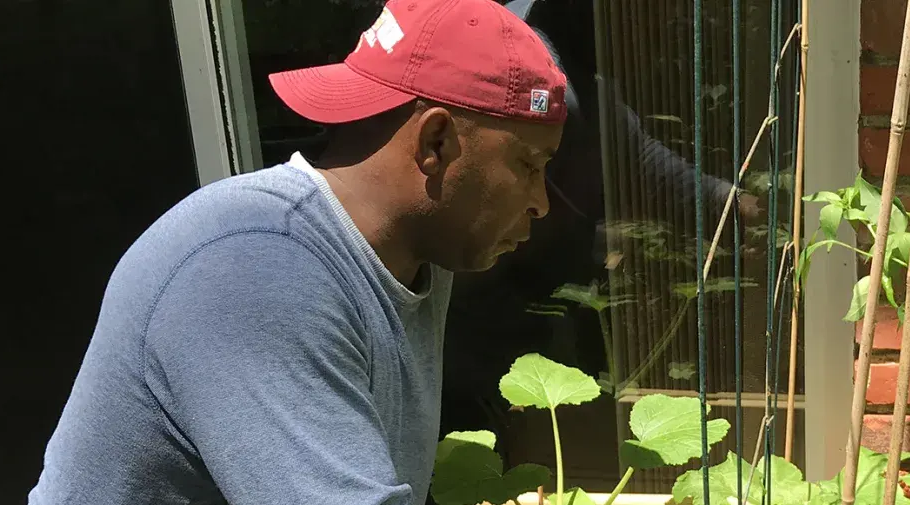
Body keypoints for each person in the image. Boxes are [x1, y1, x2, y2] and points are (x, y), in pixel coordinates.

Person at [29, 0, 565, 503]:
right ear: (436, 143)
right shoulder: (254, 267)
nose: (541, 202)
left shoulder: (416, 255)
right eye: (529, 165)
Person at [437, 0, 762, 454]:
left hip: (537, 309)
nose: (635, 31)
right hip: (492, 318)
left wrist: (729, 204)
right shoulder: (534, 79)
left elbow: (643, 161)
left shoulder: (579, 84)